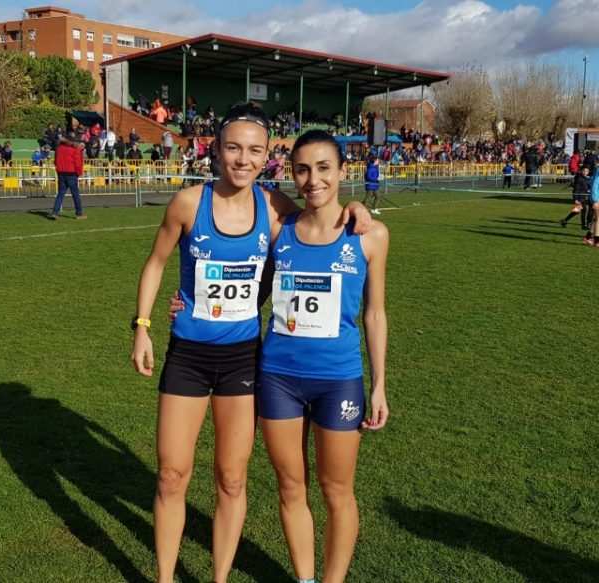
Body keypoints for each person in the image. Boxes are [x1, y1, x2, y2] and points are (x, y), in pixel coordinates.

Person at [131, 104, 370, 583]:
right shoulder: (187, 204)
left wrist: (355, 208)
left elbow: (319, 216)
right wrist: (142, 325)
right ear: (216, 150)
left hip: (242, 358)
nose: (243, 159)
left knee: (232, 478)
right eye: (234, 148)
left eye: (255, 150)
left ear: (266, 157)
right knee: (172, 475)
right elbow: (156, 262)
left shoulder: (274, 208)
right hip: (188, 356)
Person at [258, 130, 389, 583]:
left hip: (339, 380)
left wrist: (379, 385)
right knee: (291, 486)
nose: (313, 179)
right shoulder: (280, 229)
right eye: (302, 169)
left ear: (343, 171)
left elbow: (375, 313)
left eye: (323, 168)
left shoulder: (370, 236)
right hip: (278, 378)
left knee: (337, 490)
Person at [48, 135, 85, 220]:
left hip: (61, 172)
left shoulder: (58, 148)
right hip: (71, 173)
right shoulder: (75, 149)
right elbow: (77, 162)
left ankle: (55, 212)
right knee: (75, 194)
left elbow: (56, 161)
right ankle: (79, 213)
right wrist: (79, 173)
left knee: (60, 194)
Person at [561, 164, 591, 229]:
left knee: (578, 210)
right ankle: (583, 225)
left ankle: (565, 220)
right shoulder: (579, 179)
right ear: (581, 171)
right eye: (584, 171)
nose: (585, 172)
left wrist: (589, 190)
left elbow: (587, 187)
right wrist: (575, 199)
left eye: (587, 171)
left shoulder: (586, 178)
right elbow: (576, 189)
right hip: (579, 198)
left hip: (583, 197)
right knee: (582, 210)